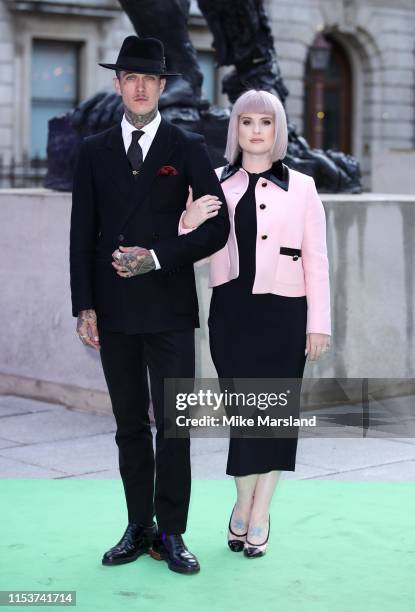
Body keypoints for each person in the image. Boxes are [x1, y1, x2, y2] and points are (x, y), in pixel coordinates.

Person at [69, 36, 229, 574]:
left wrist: (159, 256)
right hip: (112, 311)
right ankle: (138, 526)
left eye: (149, 79)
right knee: (129, 424)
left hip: (169, 310)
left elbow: (219, 228)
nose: (139, 87)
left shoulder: (186, 147)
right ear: (117, 85)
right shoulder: (92, 151)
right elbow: (81, 235)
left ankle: (171, 532)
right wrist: (83, 305)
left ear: (161, 87)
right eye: (129, 78)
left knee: (175, 425)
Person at [180, 89, 331, 558]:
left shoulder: (303, 187)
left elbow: (317, 260)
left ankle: (258, 513)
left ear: (277, 130)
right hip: (232, 314)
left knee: (276, 419)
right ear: (236, 130)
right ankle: (242, 502)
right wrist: (188, 218)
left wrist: (319, 323)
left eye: (265, 123)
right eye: (247, 122)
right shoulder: (215, 184)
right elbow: (194, 249)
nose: (256, 131)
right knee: (245, 418)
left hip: (287, 314)